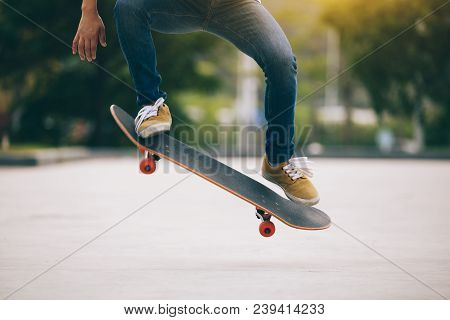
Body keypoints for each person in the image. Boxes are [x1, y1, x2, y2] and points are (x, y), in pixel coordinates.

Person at [73, 0, 320, 206]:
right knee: (128, 6)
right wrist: (89, 10)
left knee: (282, 62)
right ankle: (151, 105)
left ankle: (279, 160)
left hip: (237, 6)